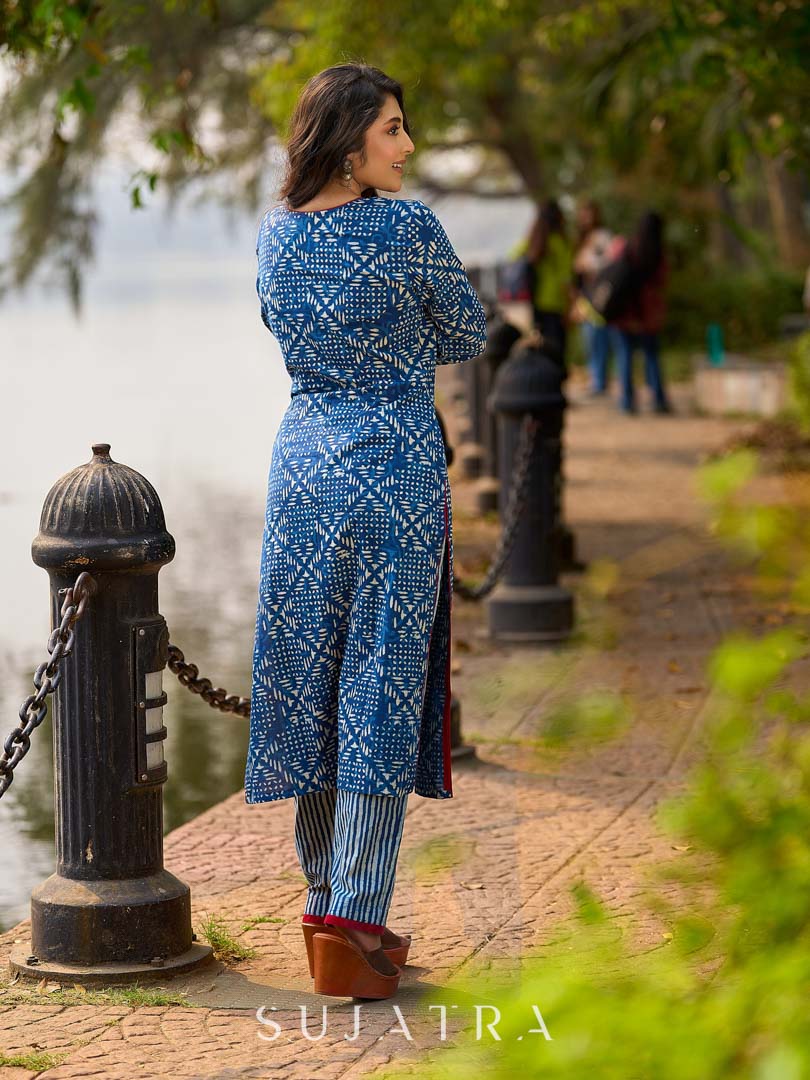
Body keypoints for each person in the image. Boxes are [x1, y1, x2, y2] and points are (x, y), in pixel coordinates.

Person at [244, 63, 487, 1000]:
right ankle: (353, 914)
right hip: (391, 464)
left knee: (311, 674)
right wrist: (402, 332)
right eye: (393, 129)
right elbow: (465, 332)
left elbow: (282, 329)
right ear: (349, 145)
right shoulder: (406, 225)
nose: (407, 146)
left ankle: (327, 909)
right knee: (381, 677)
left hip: (303, 465)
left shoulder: (274, 240)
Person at [606, 211, 672, 414]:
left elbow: (612, 271)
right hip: (648, 313)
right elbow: (663, 281)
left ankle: (627, 401)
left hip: (625, 312)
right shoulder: (657, 253)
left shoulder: (627, 247)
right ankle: (659, 399)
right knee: (651, 355)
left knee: (624, 355)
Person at [525, 199, 574, 368]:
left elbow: (513, 258)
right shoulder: (560, 242)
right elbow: (566, 279)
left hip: (535, 301)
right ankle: (555, 383)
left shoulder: (532, 241)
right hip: (556, 302)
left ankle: (542, 380)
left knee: (541, 343)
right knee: (557, 347)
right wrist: (570, 305)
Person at [572, 200, 613, 395]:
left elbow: (608, 263)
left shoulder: (602, 237)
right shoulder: (581, 239)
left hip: (599, 296)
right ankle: (595, 378)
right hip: (585, 297)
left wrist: (587, 264)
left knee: (598, 339)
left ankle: (600, 380)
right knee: (589, 340)